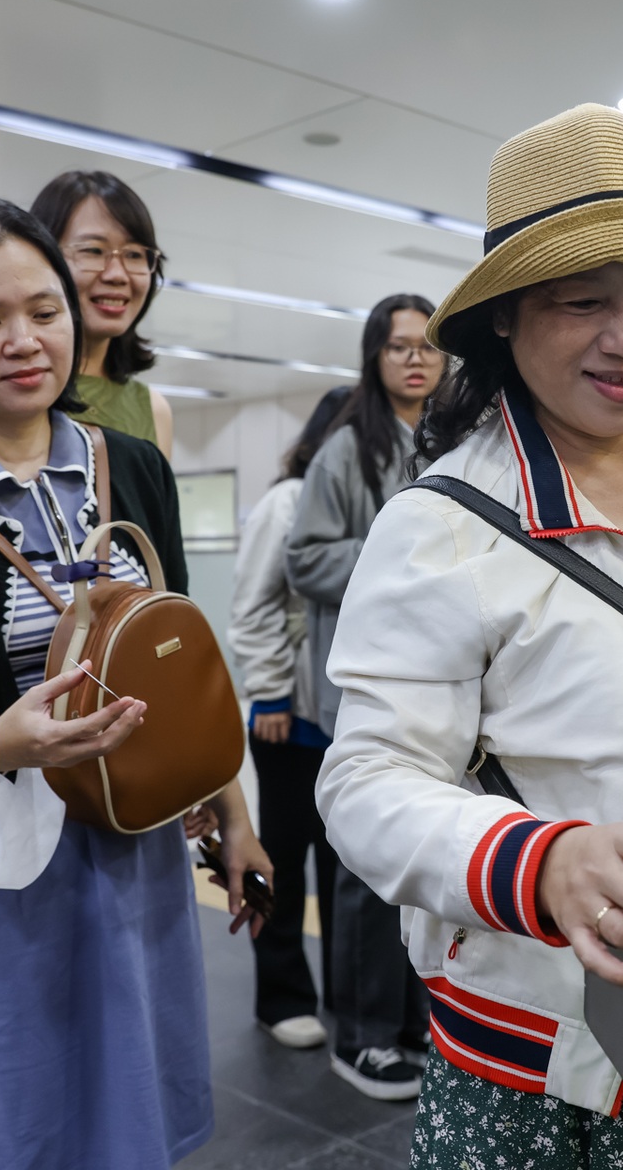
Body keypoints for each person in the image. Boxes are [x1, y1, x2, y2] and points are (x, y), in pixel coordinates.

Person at [317, 102, 623, 1167]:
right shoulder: (445, 525)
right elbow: (365, 778)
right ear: (503, 318)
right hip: (559, 1072)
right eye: (581, 299)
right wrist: (540, 863)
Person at [0, 197, 270, 1169]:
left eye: (45, 309)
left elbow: (182, 661)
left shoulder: (135, 468)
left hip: (139, 846)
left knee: (136, 1112)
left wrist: (233, 814)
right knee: (18, 1119)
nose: (25, 340)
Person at [284, 294, 443, 1100]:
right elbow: (305, 558)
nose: (415, 359)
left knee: (421, 868)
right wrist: (401, 552)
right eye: (397, 346)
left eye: (426, 345)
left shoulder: (458, 440)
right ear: (374, 358)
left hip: (445, 692)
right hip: (365, 689)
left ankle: (412, 1024)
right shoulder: (347, 449)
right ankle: (363, 1036)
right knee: (363, 873)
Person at [227, 386, 351, 1051]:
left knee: (344, 863)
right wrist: (269, 695)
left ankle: (343, 989)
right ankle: (281, 996)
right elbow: (253, 608)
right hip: (290, 716)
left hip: (346, 718)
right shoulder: (286, 500)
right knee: (279, 856)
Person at [29, 170, 174, 456]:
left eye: (134, 255)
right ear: (42, 256)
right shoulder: (18, 386)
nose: (117, 275)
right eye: (94, 251)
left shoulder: (153, 409)